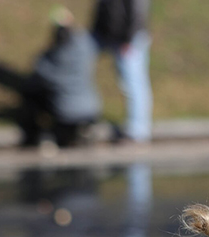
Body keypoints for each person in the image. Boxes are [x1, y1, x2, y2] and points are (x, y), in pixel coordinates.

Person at [18, 8, 101, 148]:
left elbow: (38, 75)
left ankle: (36, 135)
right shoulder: (85, 46)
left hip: (66, 112)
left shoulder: (52, 57)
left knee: (31, 94)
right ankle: (82, 131)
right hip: (91, 107)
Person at [91, 0, 152, 143]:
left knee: (135, 84)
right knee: (132, 83)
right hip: (115, 36)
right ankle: (137, 129)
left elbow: (137, 10)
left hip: (128, 38)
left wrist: (128, 38)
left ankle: (138, 131)